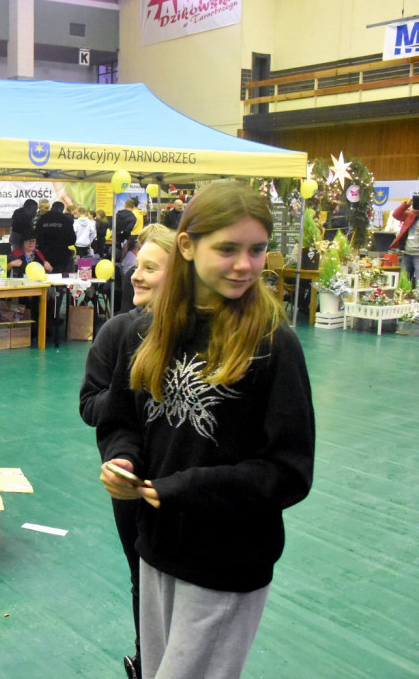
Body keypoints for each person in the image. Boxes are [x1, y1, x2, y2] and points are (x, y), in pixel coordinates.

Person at [96, 179, 315, 679]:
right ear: (189, 247)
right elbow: (121, 421)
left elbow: (288, 471)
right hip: (156, 550)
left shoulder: (273, 346)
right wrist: (123, 459)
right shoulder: (144, 333)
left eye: (257, 250)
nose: (245, 264)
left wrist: (184, 488)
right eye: (228, 249)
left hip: (227, 562)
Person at [79, 224, 176, 679]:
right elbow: (91, 405)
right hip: (130, 483)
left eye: (151, 269)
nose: (136, 276)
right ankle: (147, 658)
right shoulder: (117, 333)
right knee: (143, 575)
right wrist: (127, 390)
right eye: (137, 266)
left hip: (179, 482)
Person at [36, 201, 77, 272]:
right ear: (62, 209)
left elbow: (36, 237)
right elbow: (72, 240)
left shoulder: (42, 219)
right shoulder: (66, 221)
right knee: (60, 278)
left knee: (45, 278)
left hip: (44, 255)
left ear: (52, 208)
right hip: (61, 255)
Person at [390, 190, 419, 286]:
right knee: (404, 280)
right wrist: (407, 204)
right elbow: (396, 214)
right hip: (407, 253)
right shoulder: (410, 215)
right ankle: (403, 298)